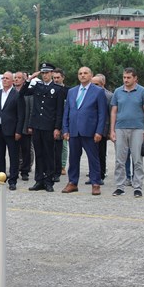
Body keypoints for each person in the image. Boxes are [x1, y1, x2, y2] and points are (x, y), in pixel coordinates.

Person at [62, 67, 107, 195]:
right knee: (73, 158)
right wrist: (65, 129)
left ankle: (96, 183)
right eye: (80, 73)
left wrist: (99, 131)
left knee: (93, 158)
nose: (83, 75)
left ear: (91, 75)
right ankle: (72, 182)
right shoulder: (72, 91)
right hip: (74, 131)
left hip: (90, 131)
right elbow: (67, 111)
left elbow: (102, 114)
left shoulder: (98, 92)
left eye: (85, 73)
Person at [20, 62, 65, 193]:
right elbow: (22, 93)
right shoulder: (37, 86)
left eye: (47, 73)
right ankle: (39, 180)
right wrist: (29, 79)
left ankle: (49, 181)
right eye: (43, 73)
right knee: (39, 154)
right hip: (37, 125)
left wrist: (57, 128)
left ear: (51, 73)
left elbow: (59, 110)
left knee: (49, 154)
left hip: (49, 126)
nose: (45, 75)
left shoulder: (57, 89)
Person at [110, 67, 144, 198]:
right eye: (124, 77)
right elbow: (114, 112)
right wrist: (112, 130)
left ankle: (137, 186)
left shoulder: (142, 91)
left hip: (138, 129)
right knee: (119, 160)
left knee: (137, 159)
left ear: (135, 78)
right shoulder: (117, 91)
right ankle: (120, 187)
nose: (126, 80)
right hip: (120, 128)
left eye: (128, 77)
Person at [0, 71, 24, 191]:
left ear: (12, 81)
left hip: (11, 130)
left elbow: (21, 115)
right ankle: (1, 179)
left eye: (7, 78)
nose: (4, 80)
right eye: (3, 78)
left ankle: (13, 180)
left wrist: (18, 131)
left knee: (13, 156)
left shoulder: (17, 95)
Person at [88, 74, 113, 185]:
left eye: (96, 84)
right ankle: (92, 175)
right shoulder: (88, 94)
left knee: (101, 154)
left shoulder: (109, 96)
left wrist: (109, 131)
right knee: (91, 153)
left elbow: (110, 115)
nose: (94, 86)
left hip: (102, 129)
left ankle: (101, 175)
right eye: (92, 84)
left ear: (103, 84)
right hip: (89, 129)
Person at [14, 71, 33, 181]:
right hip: (13, 126)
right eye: (15, 77)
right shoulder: (10, 92)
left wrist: (30, 125)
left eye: (19, 78)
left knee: (26, 149)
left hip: (25, 125)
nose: (16, 79)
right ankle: (14, 169)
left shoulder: (29, 92)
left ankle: (25, 171)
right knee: (14, 150)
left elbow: (31, 110)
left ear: (23, 80)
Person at [51, 68, 69, 182]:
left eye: (58, 78)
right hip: (53, 121)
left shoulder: (68, 91)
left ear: (63, 77)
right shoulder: (50, 89)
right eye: (54, 78)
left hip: (65, 121)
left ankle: (61, 166)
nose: (56, 80)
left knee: (63, 145)